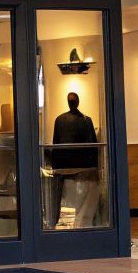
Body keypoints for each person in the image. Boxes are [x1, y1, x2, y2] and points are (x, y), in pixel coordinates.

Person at [48, 92, 101, 228]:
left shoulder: (60, 120)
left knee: (69, 201)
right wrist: (95, 166)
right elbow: (93, 145)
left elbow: (56, 145)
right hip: (82, 166)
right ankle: (80, 223)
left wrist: (55, 166)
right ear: (78, 102)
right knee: (80, 200)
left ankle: (67, 222)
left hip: (65, 166)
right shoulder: (85, 120)